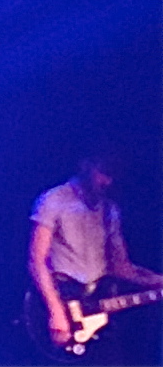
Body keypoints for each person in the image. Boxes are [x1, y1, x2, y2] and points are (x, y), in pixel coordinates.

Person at [27, 155, 163, 365]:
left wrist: (157, 280)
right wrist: (55, 310)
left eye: (112, 176)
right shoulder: (54, 200)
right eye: (103, 172)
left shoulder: (110, 210)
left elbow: (121, 267)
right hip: (61, 300)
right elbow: (37, 260)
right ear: (86, 165)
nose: (107, 182)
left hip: (97, 305)